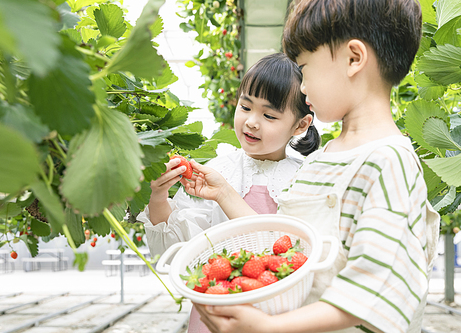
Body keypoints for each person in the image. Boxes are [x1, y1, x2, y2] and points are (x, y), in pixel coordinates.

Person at [182, 0, 441, 332]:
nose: (302, 88)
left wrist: (267, 327)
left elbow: (375, 286)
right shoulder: (324, 157)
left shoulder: (389, 161)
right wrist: (224, 193)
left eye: (304, 69)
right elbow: (283, 244)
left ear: (354, 58)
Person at [137, 52, 319, 333]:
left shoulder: (306, 177)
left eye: (269, 115)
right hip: (216, 315)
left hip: (279, 319)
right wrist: (158, 198)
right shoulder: (221, 168)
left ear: (300, 125)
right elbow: (178, 252)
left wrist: (224, 194)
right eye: (245, 107)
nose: (252, 122)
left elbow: (287, 255)